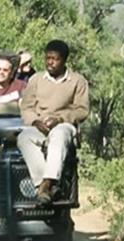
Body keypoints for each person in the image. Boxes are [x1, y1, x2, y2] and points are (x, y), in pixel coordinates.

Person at [17, 39, 89, 204]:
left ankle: (46, 184)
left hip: (65, 125)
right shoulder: (36, 80)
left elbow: (82, 110)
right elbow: (26, 108)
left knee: (59, 135)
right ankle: (46, 186)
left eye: (55, 59)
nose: (50, 62)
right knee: (24, 137)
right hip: (40, 125)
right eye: (47, 58)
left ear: (64, 60)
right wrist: (35, 122)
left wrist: (60, 119)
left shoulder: (77, 81)